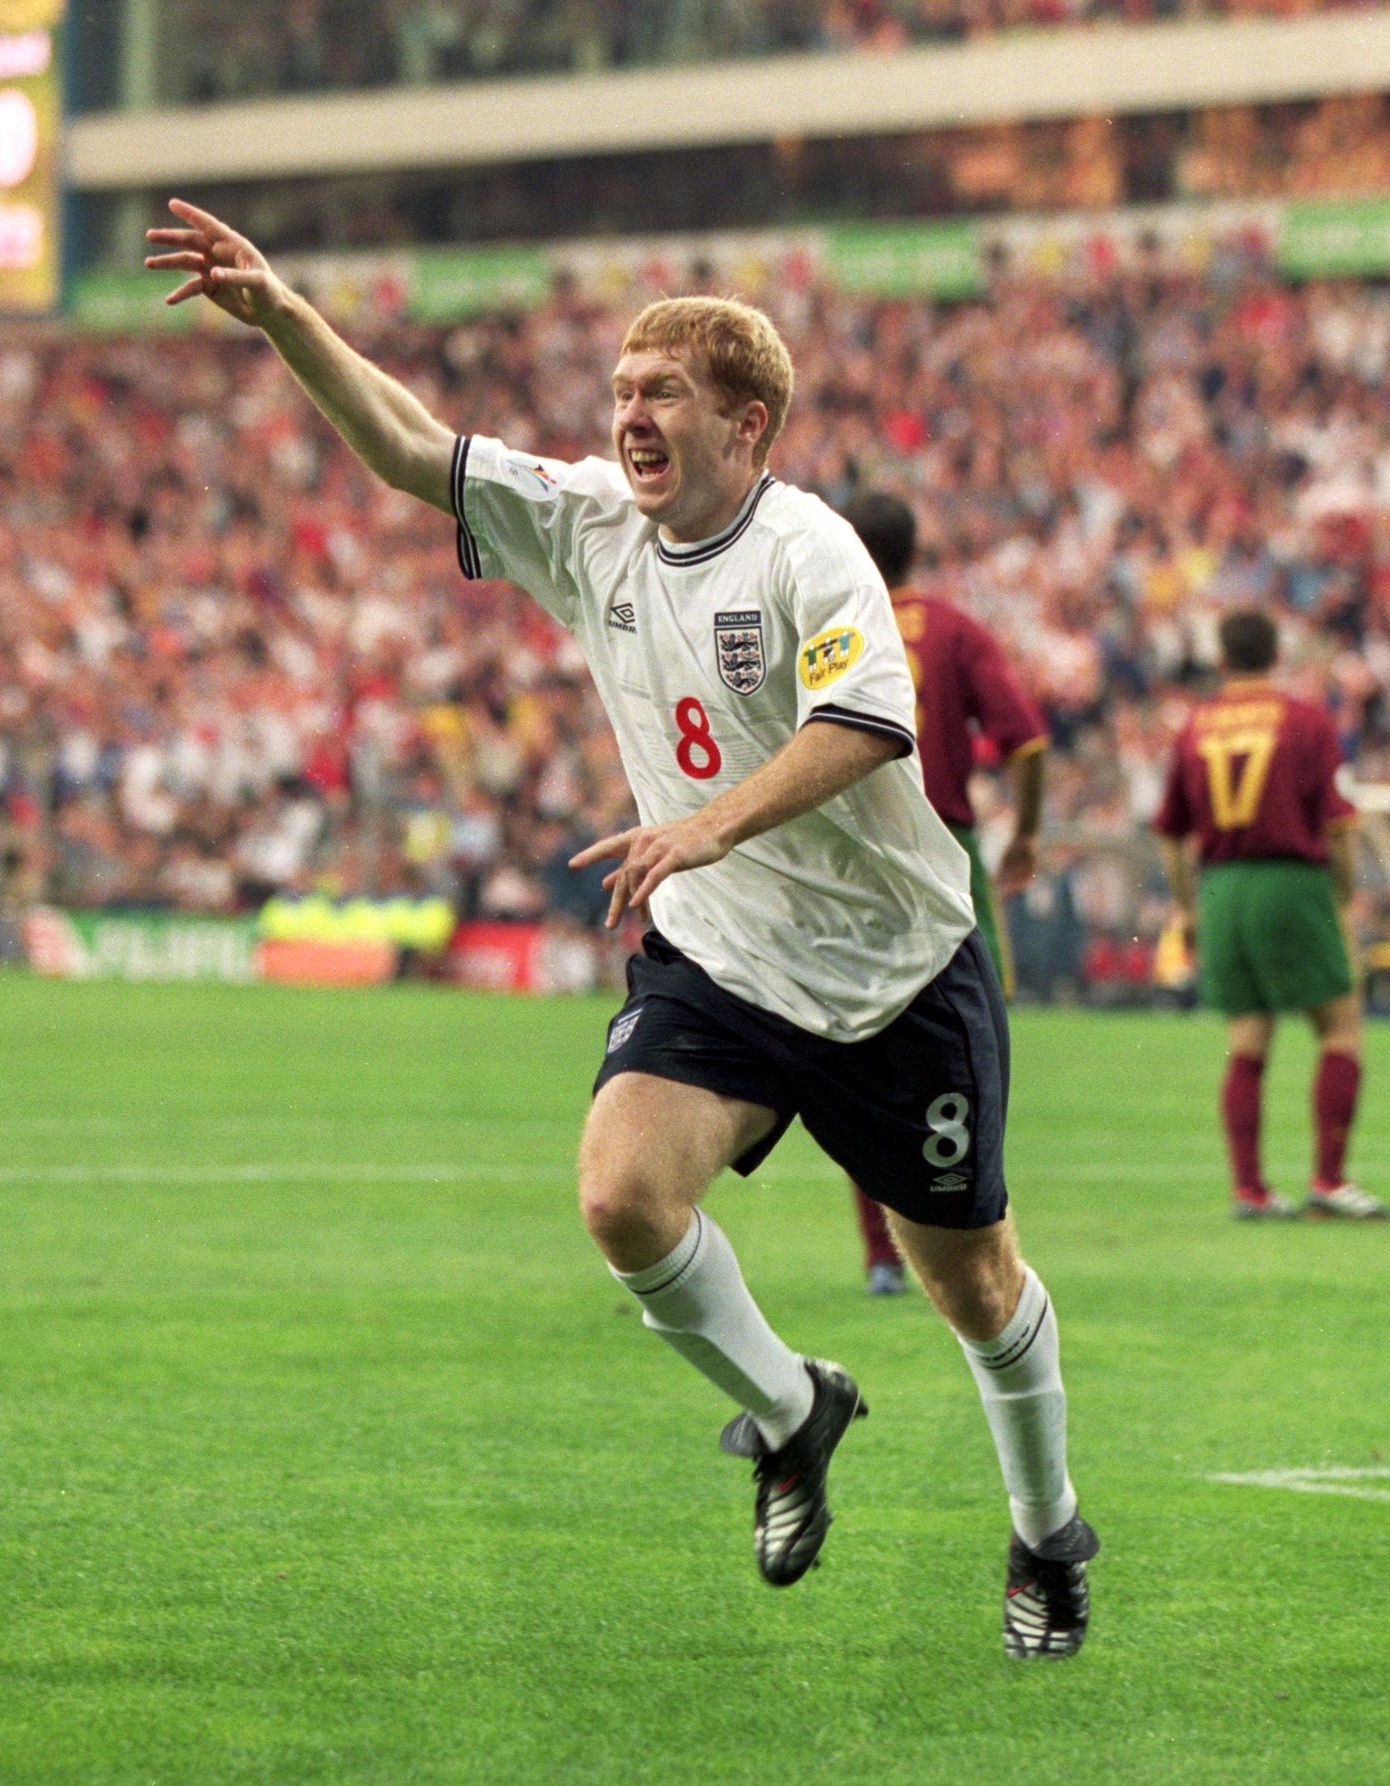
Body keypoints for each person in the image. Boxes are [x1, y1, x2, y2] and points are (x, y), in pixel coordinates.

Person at [146, 201, 1098, 1657]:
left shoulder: (812, 551)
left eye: (662, 393)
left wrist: (706, 824)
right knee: (621, 1199)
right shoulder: (590, 520)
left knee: (973, 1284)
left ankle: (1046, 1532)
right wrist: (284, 315)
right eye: (620, 391)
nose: (629, 416)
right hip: (721, 960)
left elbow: (864, 721)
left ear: (748, 423)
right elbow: (411, 447)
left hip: (895, 973)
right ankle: (793, 1411)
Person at [837, 490, 1048, 1299]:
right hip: (942, 848)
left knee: (859, 1046)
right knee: (969, 1040)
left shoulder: (826, 625)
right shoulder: (955, 630)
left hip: (851, 852)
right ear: (915, 549)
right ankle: (973, 1237)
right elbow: (1027, 742)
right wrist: (1024, 834)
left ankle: (882, 1254)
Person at [1152, 611, 1390, 1222]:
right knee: (1340, 1028)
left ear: (1222, 660)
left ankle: (1250, 1190)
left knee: (1246, 1039)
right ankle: (1329, 1181)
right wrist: (1341, 895)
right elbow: (1338, 826)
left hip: (1222, 887)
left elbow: (1172, 835)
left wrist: (1187, 907)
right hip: (1291, 880)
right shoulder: (1305, 720)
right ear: (1276, 655)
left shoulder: (1195, 726)